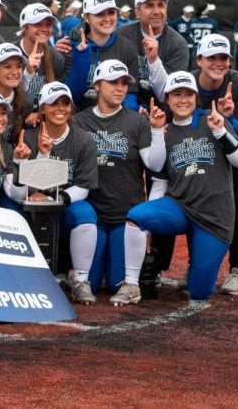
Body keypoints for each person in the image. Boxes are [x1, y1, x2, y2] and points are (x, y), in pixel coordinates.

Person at [115, 71, 238, 305]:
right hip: (181, 208)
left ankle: (199, 271)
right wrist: (156, 131)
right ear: (167, 99)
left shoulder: (213, 120)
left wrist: (220, 132)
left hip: (215, 216)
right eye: (177, 94)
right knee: (137, 216)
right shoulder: (165, 130)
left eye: (188, 94)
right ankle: (131, 283)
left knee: (199, 292)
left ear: (196, 97)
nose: (183, 100)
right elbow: (158, 175)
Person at [70, 60, 166, 304]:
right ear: (98, 86)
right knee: (90, 278)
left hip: (126, 216)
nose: (120, 88)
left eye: (124, 83)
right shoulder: (79, 121)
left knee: (114, 283)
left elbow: (154, 165)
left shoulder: (137, 121)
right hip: (93, 215)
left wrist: (156, 131)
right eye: (113, 82)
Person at [190, 34, 238, 296]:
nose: (218, 63)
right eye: (211, 57)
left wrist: (226, 119)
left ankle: (237, 270)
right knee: (196, 199)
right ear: (199, 59)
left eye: (223, 58)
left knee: (235, 199)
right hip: (203, 140)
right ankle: (195, 268)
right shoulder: (189, 81)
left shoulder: (237, 82)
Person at [22, 82, 98, 277]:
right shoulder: (28, 137)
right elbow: (21, 184)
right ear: (42, 109)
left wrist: (56, 199)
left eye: (65, 103)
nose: (60, 109)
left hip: (68, 200)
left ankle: (81, 280)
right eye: (54, 103)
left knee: (85, 215)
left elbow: (83, 186)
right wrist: (42, 154)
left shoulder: (83, 140)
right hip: (33, 203)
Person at [64, 0, 141, 111]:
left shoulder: (127, 47)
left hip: (115, 120)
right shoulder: (70, 46)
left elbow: (131, 92)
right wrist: (82, 57)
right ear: (87, 18)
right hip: (78, 120)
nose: (107, 19)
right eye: (99, 14)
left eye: (111, 12)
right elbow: (70, 96)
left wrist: (131, 110)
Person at [117, 0, 188, 107]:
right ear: (138, 12)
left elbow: (167, 94)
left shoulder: (178, 43)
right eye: (149, 5)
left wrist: (154, 60)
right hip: (125, 109)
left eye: (160, 5)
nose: (156, 11)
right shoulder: (122, 36)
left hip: (164, 114)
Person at [15, 3, 69, 103]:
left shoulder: (56, 57)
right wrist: (27, 72)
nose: (44, 29)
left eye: (48, 24)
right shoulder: (11, 52)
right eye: (38, 24)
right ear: (25, 27)